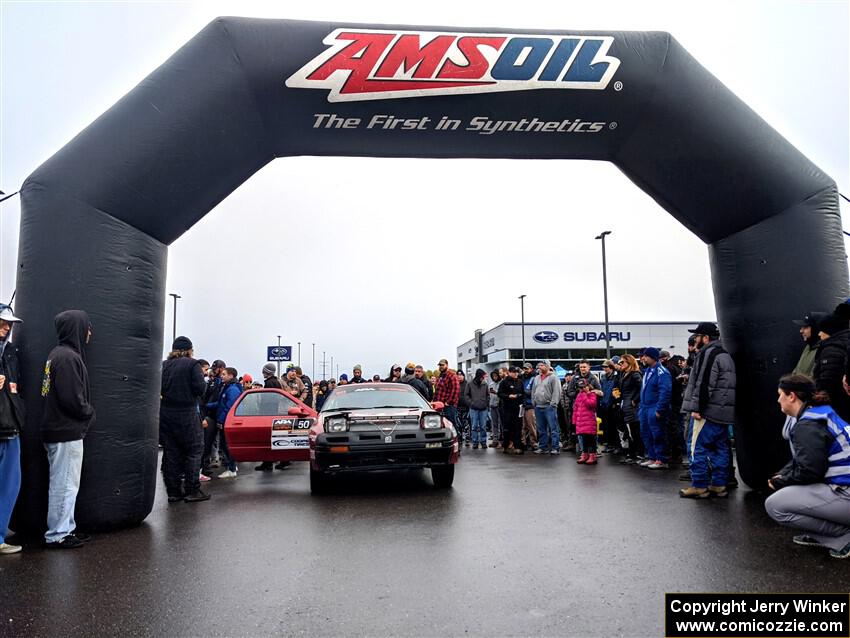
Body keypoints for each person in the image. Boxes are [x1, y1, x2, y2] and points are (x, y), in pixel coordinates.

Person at [765, 374, 850, 558]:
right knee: (792, 491)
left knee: (775, 505)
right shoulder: (822, 413)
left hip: (846, 493)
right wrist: (784, 474)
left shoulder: (808, 425)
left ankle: (843, 537)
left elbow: (810, 470)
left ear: (792, 396)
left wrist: (781, 482)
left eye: (780, 394)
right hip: (844, 488)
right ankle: (823, 534)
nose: (778, 399)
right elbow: (806, 458)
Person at [41, 310, 95, 549]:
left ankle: (66, 528)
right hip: (66, 431)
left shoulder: (56, 355)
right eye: (87, 327)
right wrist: (88, 413)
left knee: (64, 484)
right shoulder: (68, 358)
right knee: (65, 485)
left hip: (56, 429)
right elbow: (71, 398)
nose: (90, 333)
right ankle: (58, 533)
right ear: (77, 328)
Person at [680, 322, 736, 496]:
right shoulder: (724, 354)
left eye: (697, 336)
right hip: (722, 412)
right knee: (720, 448)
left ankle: (699, 485)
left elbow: (704, 383)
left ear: (705, 338)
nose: (695, 339)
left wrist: (697, 408)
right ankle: (719, 484)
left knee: (697, 447)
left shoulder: (708, 353)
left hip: (707, 412)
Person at [159, 336, 209, 503]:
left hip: (166, 413)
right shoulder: (192, 364)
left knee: (171, 452)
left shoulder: (164, 365)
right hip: (186, 412)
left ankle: (173, 492)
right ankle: (192, 489)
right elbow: (200, 389)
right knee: (194, 451)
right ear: (189, 349)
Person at [0, 304, 24, 554]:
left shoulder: (11, 351)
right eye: (3, 322)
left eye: (10, 324)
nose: (7, 328)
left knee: (10, 485)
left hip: (10, 426)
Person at [638, 347, 672, 469]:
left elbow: (665, 392)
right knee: (646, 433)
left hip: (654, 407)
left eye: (646, 356)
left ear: (652, 357)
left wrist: (660, 409)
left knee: (657, 433)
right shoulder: (647, 371)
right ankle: (652, 457)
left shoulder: (662, 372)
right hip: (645, 407)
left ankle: (661, 459)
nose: (643, 358)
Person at [813, 312, 850, 423]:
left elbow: (827, 383)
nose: (819, 334)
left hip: (836, 409)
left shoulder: (830, 349)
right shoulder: (846, 343)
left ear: (830, 331)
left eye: (822, 330)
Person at [211, 367, 242, 478]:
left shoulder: (232, 389)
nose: (221, 376)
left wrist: (220, 420)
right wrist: (207, 406)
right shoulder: (227, 387)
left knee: (226, 445)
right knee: (224, 445)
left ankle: (232, 469)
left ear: (231, 376)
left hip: (227, 421)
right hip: (225, 420)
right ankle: (232, 465)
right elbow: (221, 404)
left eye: (224, 374)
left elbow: (229, 407)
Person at [616, 354, 644, 463]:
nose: (620, 364)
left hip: (632, 407)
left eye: (622, 362)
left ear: (629, 362)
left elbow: (642, 387)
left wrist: (635, 400)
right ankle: (632, 454)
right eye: (620, 362)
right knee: (630, 431)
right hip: (626, 406)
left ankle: (637, 454)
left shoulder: (635, 374)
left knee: (634, 431)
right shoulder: (624, 374)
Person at [531, 360, 562, 455]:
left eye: (542, 365)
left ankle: (555, 447)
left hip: (549, 406)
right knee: (541, 429)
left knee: (553, 428)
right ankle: (543, 447)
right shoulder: (536, 378)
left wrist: (553, 404)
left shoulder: (553, 378)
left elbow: (557, 391)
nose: (540, 367)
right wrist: (534, 401)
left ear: (548, 366)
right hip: (538, 406)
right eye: (539, 365)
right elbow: (533, 390)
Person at [498, 367, 525, 454]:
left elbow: (523, 393)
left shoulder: (520, 382)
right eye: (514, 372)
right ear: (509, 372)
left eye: (517, 372)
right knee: (507, 428)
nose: (516, 374)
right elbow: (500, 393)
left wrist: (522, 402)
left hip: (518, 408)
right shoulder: (504, 382)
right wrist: (508, 396)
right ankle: (506, 446)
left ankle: (517, 446)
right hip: (507, 408)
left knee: (518, 427)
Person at [573, 379, 600, 465]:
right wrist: (574, 420)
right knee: (584, 439)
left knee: (591, 439)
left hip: (589, 421)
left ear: (588, 386)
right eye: (580, 388)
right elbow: (575, 408)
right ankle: (585, 454)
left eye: (584, 387)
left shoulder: (592, 394)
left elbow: (591, 404)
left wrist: (585, 395)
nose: (582, 389)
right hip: (580, 421)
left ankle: (592, 455)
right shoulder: (579, 395)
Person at [792, 312, 826, 377]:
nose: (801, 331)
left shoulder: (823, 350)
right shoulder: (809, 346)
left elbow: (814, 379)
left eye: (805, 327)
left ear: (816, 329)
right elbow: (796, 371)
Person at [434, 359, 460, 437]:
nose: (441, 367)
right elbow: (437, 390)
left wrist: (448, 402)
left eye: (442, 365)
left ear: (447, 365)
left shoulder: (452, 375)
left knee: (452, 424)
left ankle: (457, 440)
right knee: (442, 425)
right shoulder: (440, 376)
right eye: (439, 365)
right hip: (439, 406)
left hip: (449, 406)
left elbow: (456, 390)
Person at [465, 369, 490, 450]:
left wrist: (486, 403)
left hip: (483, 408)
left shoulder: (485, 384)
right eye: (483, 377)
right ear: (479, 376)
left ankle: (483, 442)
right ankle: (475, 442)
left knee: (483, 426)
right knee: (474, 426)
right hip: (473, 408)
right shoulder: (470, 384)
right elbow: (466, 395)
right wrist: (471, 403)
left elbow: (488, 395)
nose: (484, 378)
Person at [520, 363, 538, 451]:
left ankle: (533, 443)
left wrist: (525, 392)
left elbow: (535, 391)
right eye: (524, 369)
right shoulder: (522, 377)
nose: (525, 370)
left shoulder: (534, 378)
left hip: (530, 404)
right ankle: (523, 442)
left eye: (527, 369)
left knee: (531, 425)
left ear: (531, 369)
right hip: (522, 405)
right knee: (522, 426)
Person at [487, 370, 503, 449]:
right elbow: (489, 394)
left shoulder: (502, 383)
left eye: (496, 376)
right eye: (493, 376)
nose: (494, 377)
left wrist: (495, 392)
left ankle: (501, 441)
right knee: (494, 424)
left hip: (499, 405)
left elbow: (502, 394)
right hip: (492, 405)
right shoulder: (491, 384)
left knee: (501, 424)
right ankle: (495, 440)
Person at [456, 371, 470, 446]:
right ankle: (460, 438)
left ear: (464, 376)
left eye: (461, 375)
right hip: (457, 407)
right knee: (458, 424)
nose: (459, 376)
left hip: (466, 407)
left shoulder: (467, 384)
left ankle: (467, 438)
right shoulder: (455, 384)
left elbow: (470, 395)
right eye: (458, 375)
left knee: (466, 424)